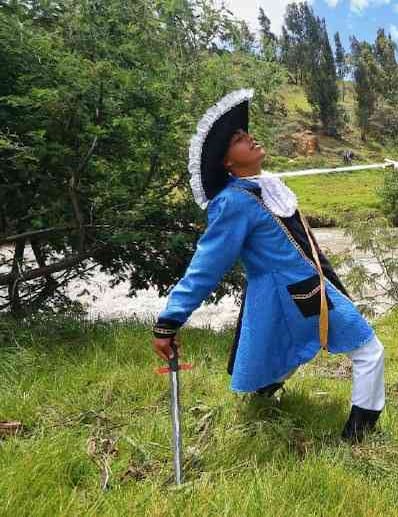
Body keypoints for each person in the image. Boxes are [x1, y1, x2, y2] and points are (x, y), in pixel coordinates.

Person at [151, 89, 385, 442]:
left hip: (299, 289)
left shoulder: (269, 186)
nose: (250, 139)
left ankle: (262, 403)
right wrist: (169, 320)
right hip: (299, 294)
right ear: (226, 162)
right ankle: (358, 436)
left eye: (247, 134)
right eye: (239, 140)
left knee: (283, 353)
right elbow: (206, 265)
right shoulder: (233, 202)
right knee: (369, 349)